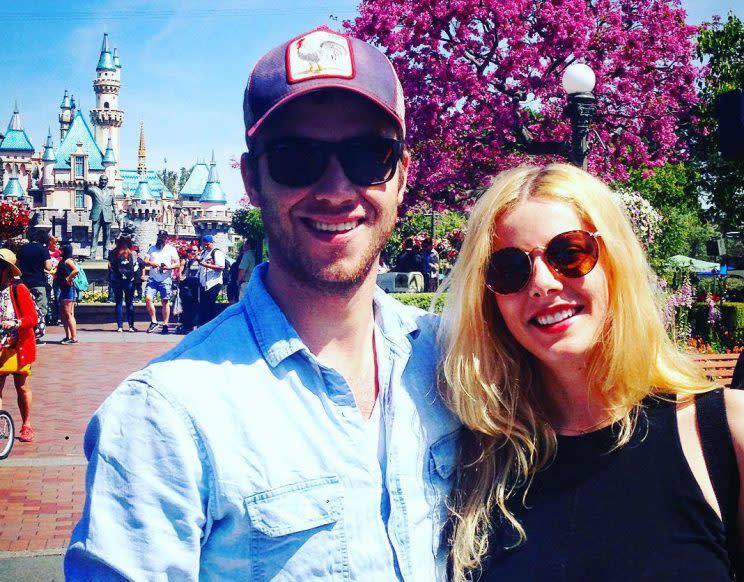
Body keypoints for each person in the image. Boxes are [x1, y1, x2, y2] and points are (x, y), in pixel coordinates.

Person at [66, 26, 459, 580]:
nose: (336, 188)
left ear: (401, 176)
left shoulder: (452, 362)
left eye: (368, 156)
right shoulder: (166, 417)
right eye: (296, 157)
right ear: (252, 180)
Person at [440, 163, 744, 582]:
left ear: (614, 261)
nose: (543, 283)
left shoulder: (724, 434)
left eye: (569, 253)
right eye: (510, 268)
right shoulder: (476, 459)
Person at [0, 249, 38, 443]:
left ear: (7, 269)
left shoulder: (18, 289)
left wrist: (15, 323)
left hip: (18, 346)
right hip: (0, 346)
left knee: (21, 386)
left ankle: (27, 424)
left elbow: (32, 318)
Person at [17, 229, 52, 344]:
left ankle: (26, 335)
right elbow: (48, 267)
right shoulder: (43, 249)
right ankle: (35, 336)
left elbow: (17, 265)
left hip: (24, 284)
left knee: (25, 310)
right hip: (38, 283)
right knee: (40, 310)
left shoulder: (22, 249)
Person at [143, 230, 179, 334]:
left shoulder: (171, 249)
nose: (161, 238)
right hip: (153, 279)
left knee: (165, 301)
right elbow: (145, 261)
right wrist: (152, 263)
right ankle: (154, 321)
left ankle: (165, 324)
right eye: (160, 236)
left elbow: (177, 264)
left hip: (165, 279)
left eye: (163, 237)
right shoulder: (152, 248)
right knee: (148, 298)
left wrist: (169, 267)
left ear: (166, 238)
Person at [84, 175, 120, 260]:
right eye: (102, 180)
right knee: (94, 235)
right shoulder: (94, 189)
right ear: (99, 181)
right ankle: (92, 254)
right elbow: (86, 190)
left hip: (107, 215)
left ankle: (106, 255)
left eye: (105, 180)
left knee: (107, 236)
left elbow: (114, 204)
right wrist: (85, 183)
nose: (103, 182)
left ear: (107, 182)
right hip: (96, 215)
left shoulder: (111, 192)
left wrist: (117, 214)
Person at [108, 236, 139, 333]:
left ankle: (120, 327)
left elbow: (110, 267)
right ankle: (130, 326)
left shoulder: (113, 253)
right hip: (129, 281)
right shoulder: (132, 253)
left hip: (117, 281)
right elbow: (135, 267)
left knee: (119, 303)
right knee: (129, 303)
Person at [197, 235, 225, 325]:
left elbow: (221, 267)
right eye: (204, 244)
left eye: (207, 244)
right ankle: (205, 325)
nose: (205, 246)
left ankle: (212, 325)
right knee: (203, 305)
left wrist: (206, 265)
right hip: (204, 283)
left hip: (214, 282)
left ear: (212, 243)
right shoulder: (203, 253)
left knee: (210, 304)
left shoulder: (217, 253)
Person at [56, 244, 79, 345]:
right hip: (63, 289)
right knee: (64, 314)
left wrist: (68, 278)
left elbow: (76, 270)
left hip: (68, 289)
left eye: (61, 249)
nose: (59, 250)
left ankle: (74, 338)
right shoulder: (63, 261)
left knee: (68, 314)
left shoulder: (68, 261)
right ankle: (68, 336)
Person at [177, 245, 201, 334]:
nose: (193, 252)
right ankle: (187, 325)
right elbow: (182, 274)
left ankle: (195, 324)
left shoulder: (201, 260)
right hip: (188, 286)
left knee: (196, 305)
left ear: (198, 251)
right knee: (187, 306)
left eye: (195, 250)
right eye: (191, 250)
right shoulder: (187, 261)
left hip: (197, 286)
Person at [47, 234, 62, 326]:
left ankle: (56, 317)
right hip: (47, 277)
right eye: (55, 242)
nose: (57, 244)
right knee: (48, 298)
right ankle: (48, 317)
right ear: (50, 242)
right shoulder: (45, 252)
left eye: (57, 242)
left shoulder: (59, 252)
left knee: (57, 298)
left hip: (56, 278)